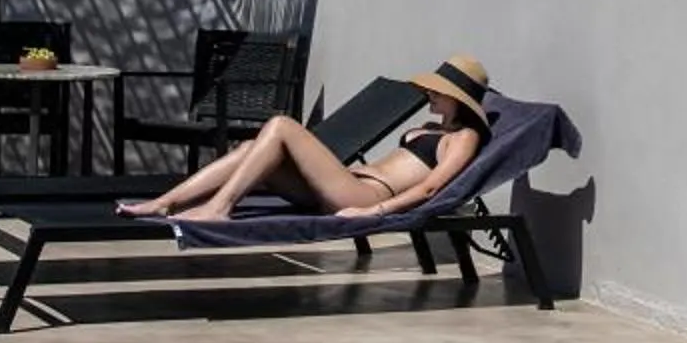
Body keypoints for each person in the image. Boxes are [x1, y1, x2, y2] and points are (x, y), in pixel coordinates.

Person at [116, 55, 490, 223]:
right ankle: (165, 203)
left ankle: (218, 208)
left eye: (437, 91)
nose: (429, 94)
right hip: (350, 183)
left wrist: (371, 212)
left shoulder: (464, 137)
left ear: (457, 97)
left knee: (281, 125)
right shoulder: (433, 130)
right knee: (250, 149)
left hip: (364, 195)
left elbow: (429, 190)